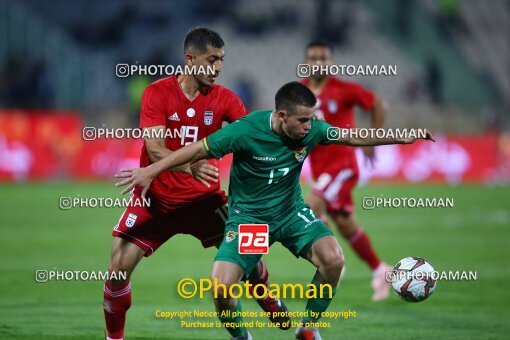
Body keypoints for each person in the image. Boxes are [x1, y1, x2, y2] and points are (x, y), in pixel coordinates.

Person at [115, 81, 434, 339]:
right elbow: (196, 149)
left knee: (334, 259)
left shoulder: (313, 130)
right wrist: (150, 170)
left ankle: (308, 328)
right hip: (250, 221)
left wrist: (403, 137)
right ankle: (242, 336)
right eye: (304, 120)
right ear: (282, 116)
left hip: (291, 213)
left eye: (312, 118)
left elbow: (354, 136)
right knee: (221, 288)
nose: (311, 126)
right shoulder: (245, 131)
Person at [103, 27, 288, 340]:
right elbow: (155, 147)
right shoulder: (157, 93)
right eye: (211, 59)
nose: (218, 67)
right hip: (156, 198)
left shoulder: (227, 100)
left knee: (252, 259)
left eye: (221, 60)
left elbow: (251, 136)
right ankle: (114, 338)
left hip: (206, 201)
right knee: (118, 269)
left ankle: (268, 296)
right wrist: (191, 166)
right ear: (189, 59)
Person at [302, 41, 392, 301]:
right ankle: (380, 270)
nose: (319, 62)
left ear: (331, 62)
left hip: (342, 166)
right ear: (306, 62)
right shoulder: (301, 91)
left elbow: (379, 105)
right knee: (344, 222)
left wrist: (372, 138)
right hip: (320, 168)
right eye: (314, 58)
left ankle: (332, 263)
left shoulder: (343, 89)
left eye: (324, 58)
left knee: (309, 209)